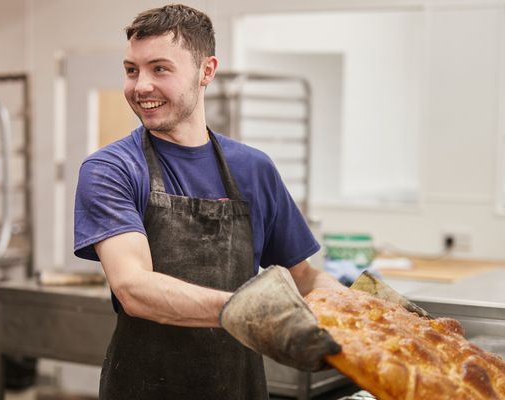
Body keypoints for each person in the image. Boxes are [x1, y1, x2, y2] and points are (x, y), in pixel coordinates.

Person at [74, 4, 344, 399]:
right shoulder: (111, 169)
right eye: (132, 70)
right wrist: (247, 311)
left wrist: (350, 308)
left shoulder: (253, 169)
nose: (140, 86)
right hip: (144, 386)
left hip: (239, 386)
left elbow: (303, 276)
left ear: (207, 71)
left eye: (159, 69)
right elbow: (133, 288)